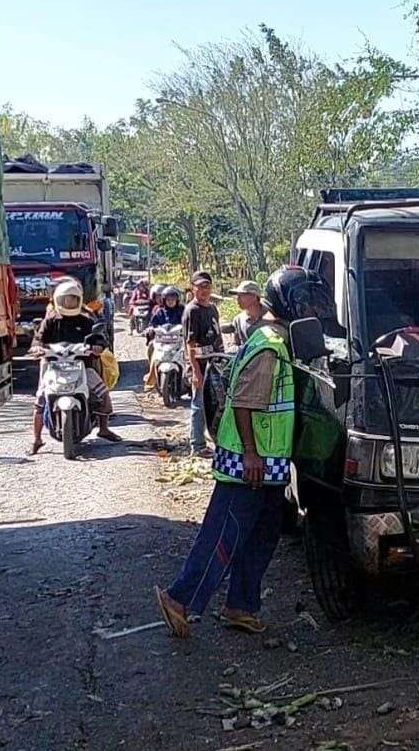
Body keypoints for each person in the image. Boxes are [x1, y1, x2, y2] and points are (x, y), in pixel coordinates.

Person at [153, 266, 342, 637]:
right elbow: (243, 402)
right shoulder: (270, 347)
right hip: (248, 465)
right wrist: (253, 455)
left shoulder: (275, 339)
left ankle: (241, 605)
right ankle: (180, 599)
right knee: (224, 535)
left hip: (270, 466)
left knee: (264, 535)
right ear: (295, 306)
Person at [29, 280, 122, 454]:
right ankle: (37, 439)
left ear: (79, 300)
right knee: (40, 400)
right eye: (66, 299)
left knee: (103, 394)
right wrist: (37, 348)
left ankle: (103, 428)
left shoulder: (85, 319)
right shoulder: (50, 320)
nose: (69, 303)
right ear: (58, 299)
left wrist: (98, 346)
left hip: (82, 366)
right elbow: (38, 338)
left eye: (73, 299)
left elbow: (97, 337)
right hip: (52, 366)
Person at [181, 270, 223, 456]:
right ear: (193, 288)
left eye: (207, 286)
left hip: (214, 362)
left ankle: (211, 440)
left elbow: (217, 333)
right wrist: (196, 372)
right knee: (199, 404)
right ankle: (197, 445)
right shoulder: (192, 311)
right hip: (199, 363)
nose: (204, 290)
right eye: (200, 287)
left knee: (214, 403)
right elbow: (190, 344)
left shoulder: (212, 308)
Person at [145, 286, 185, 387]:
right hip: (162, 341)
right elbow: (152, 324)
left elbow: (189, 322)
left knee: (190, 353)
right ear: (164, 300)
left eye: (173, 299)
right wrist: (150, 329)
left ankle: (188, 377)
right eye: (168, 299)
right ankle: (152, 374)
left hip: (179, 340)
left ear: (177, 300)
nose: (171, 302)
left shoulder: (183, 311)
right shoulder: (159, 312)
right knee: (150, 346)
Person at [228, 280, 265, 347]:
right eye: (237, 296)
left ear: (254, 296)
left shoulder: (271, 317)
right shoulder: (238, 320)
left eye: (241, 295)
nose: (238, 299)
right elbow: (234, 344)